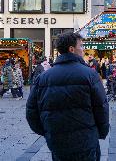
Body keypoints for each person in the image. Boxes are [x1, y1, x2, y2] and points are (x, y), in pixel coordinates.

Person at [26, 31, 109, 161]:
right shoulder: (90, 75)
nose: (83, 49)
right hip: (86, 140)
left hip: (57, 141)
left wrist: (46, 132)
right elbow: (101, 107)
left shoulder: (43, 77)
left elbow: (32, 110)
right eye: (81, 46)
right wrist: (101, 132)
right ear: (71, 49)